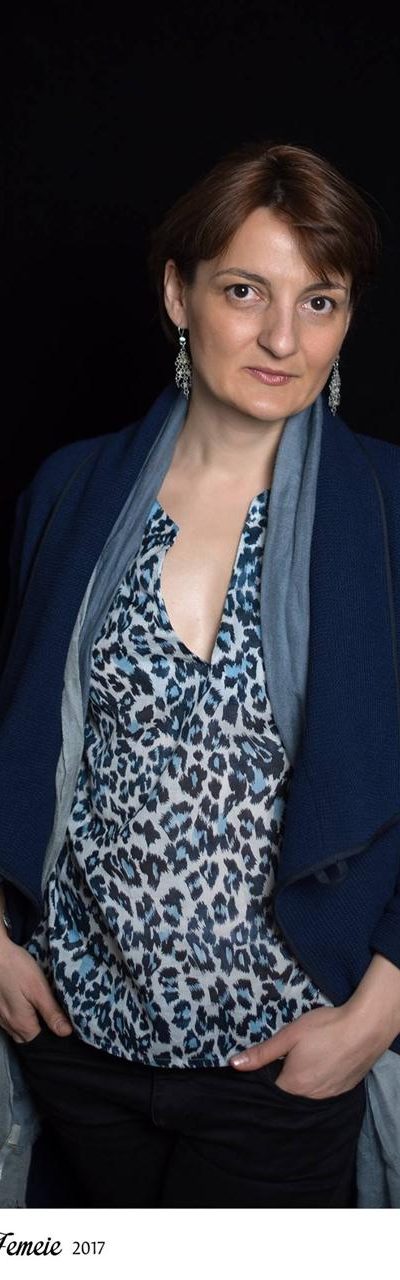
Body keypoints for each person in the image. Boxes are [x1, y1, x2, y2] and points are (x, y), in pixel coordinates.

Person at [0, 140, 399, 1210]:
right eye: (244, 291)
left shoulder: (386, 509)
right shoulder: (71, 489)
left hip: (285, 1058)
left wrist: (382, 1008)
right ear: (179, 295)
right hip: (77, 1045)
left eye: (320, 302)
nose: (283, 338)